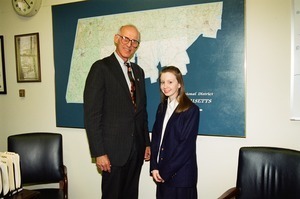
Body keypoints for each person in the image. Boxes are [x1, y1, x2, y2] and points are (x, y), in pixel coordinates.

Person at [84, 24, 151, 199]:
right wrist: (99, 152)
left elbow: (141, 111)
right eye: (126, 38)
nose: (129, 44)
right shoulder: (101, 68)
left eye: (134, 41)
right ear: (116, 38)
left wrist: (146, 143)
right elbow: (92, 115)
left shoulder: (138, 72)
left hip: (136, 150)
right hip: (112, 153)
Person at [150, 66, 200, 199]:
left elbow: (186, 147)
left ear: (179, 84)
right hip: (161, 174)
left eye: (170, 82)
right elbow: (155, 139)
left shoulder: (191, 110)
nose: (165, 86)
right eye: (162, 82)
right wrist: (154, 167)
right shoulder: (161, 108)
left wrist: (164, 172)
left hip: (181, 178)